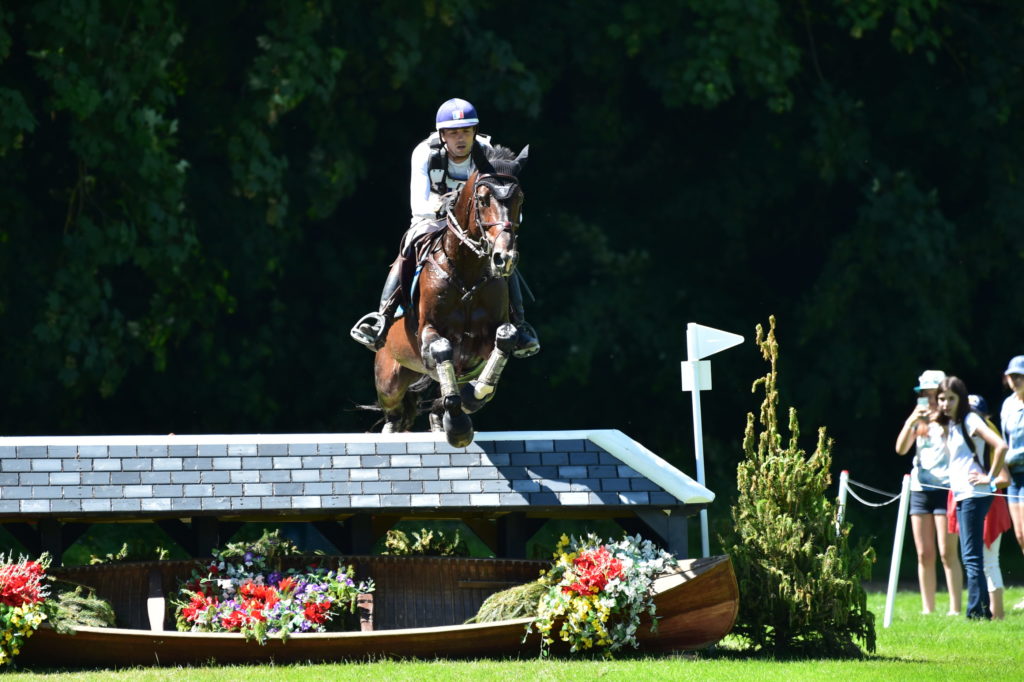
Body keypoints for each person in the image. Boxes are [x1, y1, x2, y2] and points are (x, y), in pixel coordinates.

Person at [350, 97, 540, 357]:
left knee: (503, 253)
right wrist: (450, 204)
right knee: (408, 245)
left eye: (466, 131)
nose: (460, 139)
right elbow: (419, 204)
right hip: (431, 219)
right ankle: (382, 317)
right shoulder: (424, 153)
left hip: (474, 227)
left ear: (475, 131)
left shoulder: (486, 151)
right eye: (453, 133)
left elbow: (500, 197)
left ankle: (519, 323)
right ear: (442, 135)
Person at [936, 376, 1008, 620]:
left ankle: (975, 612)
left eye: (951, 398)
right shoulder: (955, 423)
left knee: (971, 556)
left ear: (961, 399)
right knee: (972, 555)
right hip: (964, 494)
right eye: (942, 399)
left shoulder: (969, 419)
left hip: (974, 494)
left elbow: (1000, 446)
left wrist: (989, 477)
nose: (945, 403)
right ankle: (982, 610)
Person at [895, 369, 962, 615]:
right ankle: (927, 609)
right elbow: (901, 449)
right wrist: (913, 419)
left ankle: (955, 609)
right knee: (924, 553)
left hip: (946, 488)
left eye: (935, 395)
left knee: (947, 552)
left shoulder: (952, 420)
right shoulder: (918, 421)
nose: (931, 400)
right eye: (925, 395)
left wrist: (939, 420)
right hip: (920, 489)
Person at [999, 354, 1024, 610]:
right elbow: (1003, 439)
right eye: (1012, 376)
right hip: (1014, 476)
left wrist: (1006, 457)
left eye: (1020, 375)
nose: (1015, 380)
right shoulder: (1007, 404)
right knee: (1020, 535)